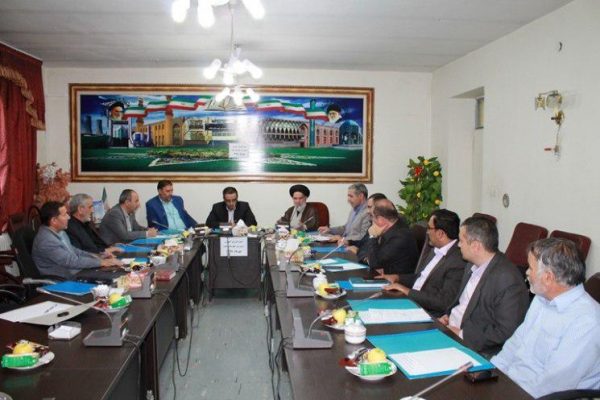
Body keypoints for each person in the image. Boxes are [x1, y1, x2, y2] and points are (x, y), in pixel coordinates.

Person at [491, 238, 600, 397]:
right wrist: (491, 372)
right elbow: (515, 343)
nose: (527, 272)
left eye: (530, 268)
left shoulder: (587, 321)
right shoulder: (542, 298)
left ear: (548, 277)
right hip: (511, 383)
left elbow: (553, 385)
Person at [438, 216, 529, 357]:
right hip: (449, 330)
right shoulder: (471, 264)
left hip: (473, 347)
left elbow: (506, 331)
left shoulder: (508, 279)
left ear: (476, 246)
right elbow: (461, 303)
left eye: (461, 241)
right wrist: (447, 316)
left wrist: (461, 334)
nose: (458, 245)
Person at [383, 209, 466, 317]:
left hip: (427, 312)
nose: (427, 232)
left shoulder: (457, 261)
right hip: (411, 302)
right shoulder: (435, 249)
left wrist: (406, 291)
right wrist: (397, 278)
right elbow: (421, 278)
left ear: (440, 234)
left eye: (429, 228)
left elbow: (443, 302)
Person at [32, 201, 121, 279]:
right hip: (63, 280)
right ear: (54, 220)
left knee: (116, 273)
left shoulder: (60, 232)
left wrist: (97, 256)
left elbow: (74, 251)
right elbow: (71, 261)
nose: (68, 217)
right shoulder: (47, 240)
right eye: (65, 215)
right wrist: (101, 262)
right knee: (112, 278)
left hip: (75, 272)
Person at [366, 199, 418, 276]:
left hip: (397, 281)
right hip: (386, 275)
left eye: (372, 216)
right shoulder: (394, 227)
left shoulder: (400, 236)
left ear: (380, 219)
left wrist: (372, 236)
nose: (371, 220)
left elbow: (374, 263)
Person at [346, 192, 387, 264]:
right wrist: (349, 242)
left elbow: (374, 257)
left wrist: (358, 252)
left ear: (380, 208)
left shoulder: (388, 229)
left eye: (369, 207)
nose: (367, 211)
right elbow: (364, 242)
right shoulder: (373, 223)